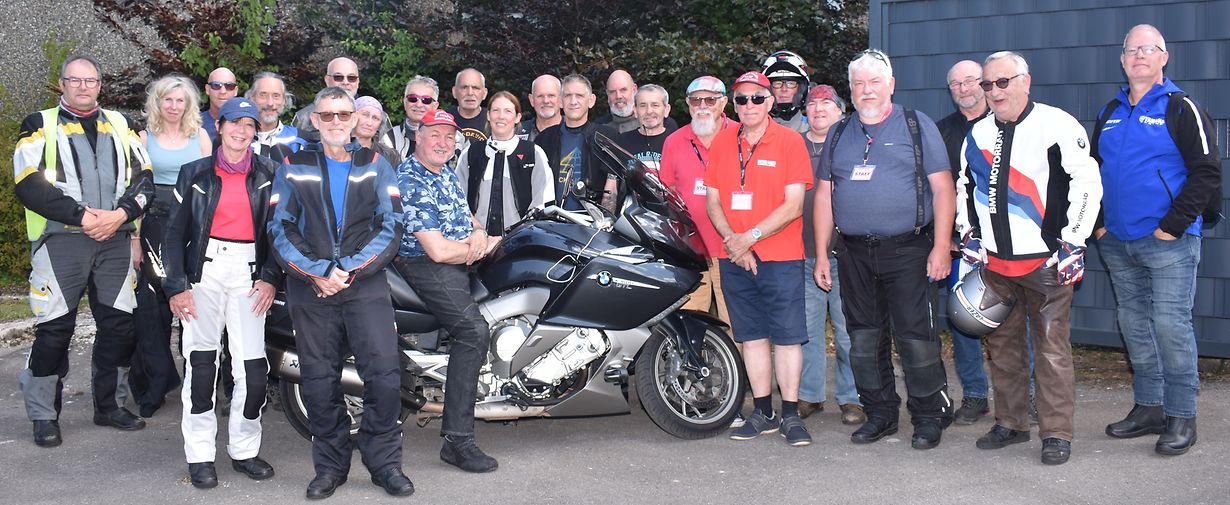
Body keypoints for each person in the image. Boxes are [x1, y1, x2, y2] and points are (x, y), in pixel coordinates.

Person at [955, 51, 1101, 465]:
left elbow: (1087, 181)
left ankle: (1056, 434)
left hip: (1046, 262)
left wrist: (1074, 241)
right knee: (1003, 348)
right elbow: (966, 185)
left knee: (1052, 350)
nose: (995, 91)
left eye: (1003, 82)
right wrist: (967, 232)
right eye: (988, 84)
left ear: (1026, 81)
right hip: (995, 265)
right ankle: (1011, 423)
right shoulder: (978, 133)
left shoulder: (1057, 124)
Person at [268, 87, 411, 499]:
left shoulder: (376, 165)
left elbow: (391, 225)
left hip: (364, 286)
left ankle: (385, 464)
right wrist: (318, 272)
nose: (335, 122)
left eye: (343, 115)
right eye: (327, 115)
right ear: (315, 120)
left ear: (355, 119)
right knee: (318, 382)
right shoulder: (293, 165)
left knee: (384, 378)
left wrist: (348, 270)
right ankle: (330, 468)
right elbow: (279, 227)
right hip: (311, 290)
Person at [814, 49, 955, 450]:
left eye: (874, 81)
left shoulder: (915, 125)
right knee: (863, 341)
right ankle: (880, 414)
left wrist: (941, 247)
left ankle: (928, 416)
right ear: (850, 90)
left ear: (891, 84)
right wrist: (822, 253)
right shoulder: (839, 133)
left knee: (916, 340)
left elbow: (944, 189)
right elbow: (824, 195)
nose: (866, 90)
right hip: (854, 254)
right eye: (858, 83)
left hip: (909, 251)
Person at [14, 55, 154, 447]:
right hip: (61, 241)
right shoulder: (38, 124)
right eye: (74, 80)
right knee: (55, 331)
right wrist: (83, 217)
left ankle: (109, 406)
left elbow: (144, 179)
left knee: (119, 327)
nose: (83, 87)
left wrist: (121, 214)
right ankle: (44, 415)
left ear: (99, 85)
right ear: (62, 84)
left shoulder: (121, 124)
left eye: (90, 80)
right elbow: (28, 182)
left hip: (114, 239)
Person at [1094, 24, 1220, 456]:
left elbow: (1207, 171)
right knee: (1134, 324)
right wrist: (1099, 225)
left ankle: (1181, 414)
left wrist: (1174, 224)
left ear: (1164, 57)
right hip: (1117, 240)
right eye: (1132, 49)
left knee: (1170, 325)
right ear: (1122, 59)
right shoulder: (1110, 111)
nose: (1139, 55)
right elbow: (1092, 170)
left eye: (1149, 48)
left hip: (1169, 241)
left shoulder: (1181, 107)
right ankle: (1149, 407)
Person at [162, 97, 281, 489]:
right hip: (205, 271)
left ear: (255, 132)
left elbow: (279, 232)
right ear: (220, 127)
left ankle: (244, 449)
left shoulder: (270, 173)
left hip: (250, 274)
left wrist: (271, 277)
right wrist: (176, 286)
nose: (241, 131)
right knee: (201, 365)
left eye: (249, 125)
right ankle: (200, 454)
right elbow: (173, 234)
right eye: (234, 123)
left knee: (253, 370)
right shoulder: (194, 173)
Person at [705, 71, 813, 446]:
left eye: (756, 98)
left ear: (769, 102)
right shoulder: (722, 143)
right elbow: (713, 202)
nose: (748, 105)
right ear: (733, 104)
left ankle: (791, 414)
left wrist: (749, 238)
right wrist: (736, 244)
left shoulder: (790, 141)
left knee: (787, 339)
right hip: (734, 257)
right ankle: (764, 411)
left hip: (780, 257)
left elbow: (794, 205)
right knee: (751, 337)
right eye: (741, 99)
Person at [395, 108, 502, 473]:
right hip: (425, 265)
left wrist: (480, 234)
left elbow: (468, 218)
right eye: (434, 135)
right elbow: (438, 250)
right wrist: (479, 248)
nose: (442, 142)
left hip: (456, 260)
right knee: (473, 332)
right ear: (418, 137)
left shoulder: (445, 173)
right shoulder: (411, 179)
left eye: (448, 136)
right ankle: (458, 441)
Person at [130, 74, 212, 418]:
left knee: (192, 306)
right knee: (152, 311)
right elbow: (134, 192)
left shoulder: (201, 137)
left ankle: (197, 384)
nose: (174, 106)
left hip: (191, 229)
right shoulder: (143, 138)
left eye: (180, 100)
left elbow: (210, 190)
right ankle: (156, 383)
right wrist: (134, 239)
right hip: (153, 228)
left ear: (189, 105)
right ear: (157, 102)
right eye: (168, 99)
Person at [797, 84, 864, 425]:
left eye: (826, 103)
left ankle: (852, 399)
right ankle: (809, 395)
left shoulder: (853, 144)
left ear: (840, 110)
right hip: (802, 253)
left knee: (848, 330)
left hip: (845, 254)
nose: (818, 108)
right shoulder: (793, 145)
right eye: (812, 103)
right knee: (807, 331)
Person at [934, 59, 993, 425]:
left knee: (1018, 323)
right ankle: (975, 395)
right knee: (964, 321)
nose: (963, 88)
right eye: (956, 84)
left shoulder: (1006, 122)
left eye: (970, 81)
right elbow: (932, 188)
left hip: (1008, 244)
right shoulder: (941, 132)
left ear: (984, 83)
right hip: (962, 245)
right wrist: (945, 239)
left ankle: (1027, 395)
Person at [660, 76, 735, 323]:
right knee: (691, 324)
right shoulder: (674, 141)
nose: (702, 105)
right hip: (691, 252)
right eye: (695, 100)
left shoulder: (740, 135)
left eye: (710, 100)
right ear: (687, 104)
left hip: (733, 248)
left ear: (723, 102)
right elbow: (667, 193)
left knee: (738, 324)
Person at [455, 92, 554, 234]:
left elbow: (543, 202)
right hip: (476, 240)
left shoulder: (533, 153)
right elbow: (458, 199)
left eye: (508, 111)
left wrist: (521, 234)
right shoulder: (471, 153)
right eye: (496, 110)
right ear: (488, 115)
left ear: (517, 117)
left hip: (520, 240)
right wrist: (476, 233)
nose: (501, 116)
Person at [534, 74, 618, 210]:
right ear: (560, 101)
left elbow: (612, 185)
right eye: (568, 96)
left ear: (591, 100)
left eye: (579, 96)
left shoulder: (606, 138)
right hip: (551, 218)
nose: (573, 101)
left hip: (592, 218)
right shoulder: (545, 139)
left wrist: (605, 219)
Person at [292, 57, 389, 142]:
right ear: (327, 80)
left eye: (351, 78)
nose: (345, 82)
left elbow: (388, 151)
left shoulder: (379, 116)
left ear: (358, 82)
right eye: (338, 77)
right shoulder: (304, 117)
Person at [596, 69, 679, 134]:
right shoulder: (599, 127)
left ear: (634, 89)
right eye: (612, 92)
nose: (618, 96)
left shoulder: (663, 123)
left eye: (623, 90)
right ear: (607, 94)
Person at [616, 84, 676, 173]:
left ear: (666, 109)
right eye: (643, 105)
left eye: (655, 105)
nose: (649, 111)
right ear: (635, 110)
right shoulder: (621, 142)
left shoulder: (678, 143)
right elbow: (612, 180)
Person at [246, 71, 306, 159]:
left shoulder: (299, 140)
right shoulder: (238, 137)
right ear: (252, 98)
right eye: (263, 95)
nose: (270, 103)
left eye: (276, 96)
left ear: (284, 100)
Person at [385, 75, 440, 160]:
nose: (418, 105)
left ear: (435, 106)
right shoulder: (390, 137)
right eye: (413, 98)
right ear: (405, 103)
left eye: (426, 100)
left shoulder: (451, 138)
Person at [763, 51, 811, 133]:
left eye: (790, 83)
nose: (784, 89)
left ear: (802, 89)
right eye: (777, 83)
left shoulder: (815, 129)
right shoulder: (754, 130)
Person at [354, 96, 402, 166]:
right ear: (353, 116)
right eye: (365, 115)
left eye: (375, 118)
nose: (369, 123)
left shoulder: (390, 156)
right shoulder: (339, 149)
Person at [447, 68, 490, 145]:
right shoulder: (443, 120)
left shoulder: (494, 120)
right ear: (454, 92)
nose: (470, 93)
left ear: (484, 93)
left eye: (475, 88)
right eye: (464, 87)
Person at [518, 74, 561, 142]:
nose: (546, 101)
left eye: (551, 95)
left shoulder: (576, 132)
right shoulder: (516, 133)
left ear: (561, 99)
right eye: (540, 96)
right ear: (531, 100)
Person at [201, 67, 238, 140]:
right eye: (216, 85)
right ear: (207, 89)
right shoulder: (193, 123)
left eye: (229, 86)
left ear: (235, 91)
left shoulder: (245, 125)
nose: (223, 91)